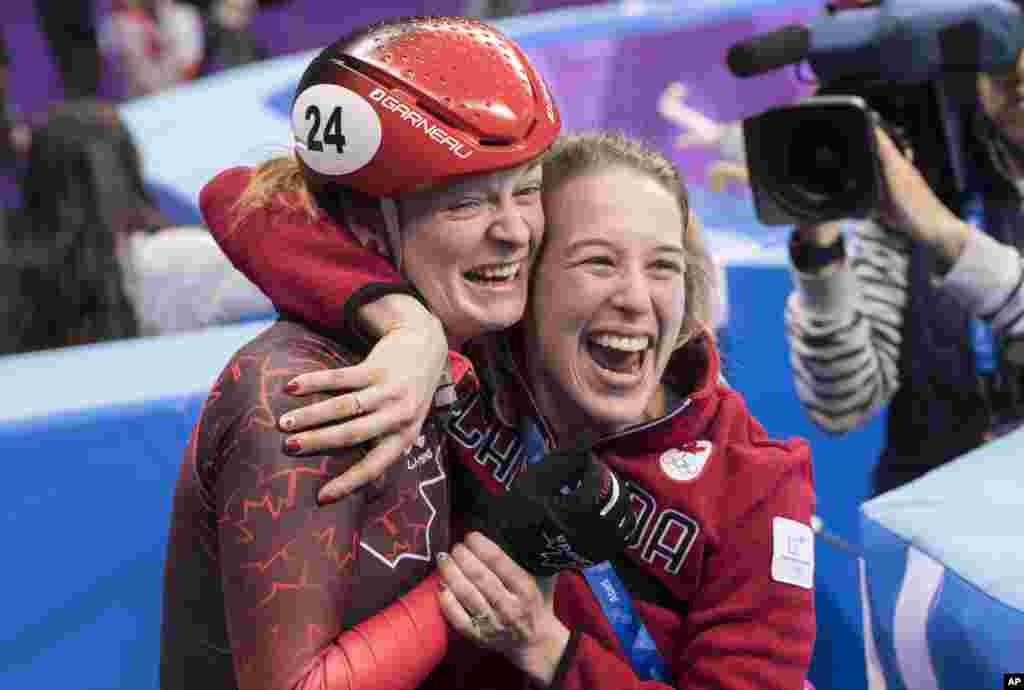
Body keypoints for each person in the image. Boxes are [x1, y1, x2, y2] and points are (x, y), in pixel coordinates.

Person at [213, 131, 817, 690]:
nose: (635, 298)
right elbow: (241, 198)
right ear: (526, 277)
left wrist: (550, 649)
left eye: (662, 266)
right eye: (597, 263)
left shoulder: (756, 483)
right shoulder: (473, 358)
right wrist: (407, 324)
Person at [158, 16, 560, 690]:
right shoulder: (300, 396)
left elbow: (249, 201)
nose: (514, 232)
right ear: (368, 223)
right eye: (466, 205)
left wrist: (410, 323)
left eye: (526, 191)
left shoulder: (482, 328)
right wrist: (496, 567)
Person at [784, 49, 1024, 495]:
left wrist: (946, 235)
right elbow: (841, 404)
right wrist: (819, 246)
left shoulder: (924, 211)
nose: (1020, 70)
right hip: (929, 526)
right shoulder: (914, 194)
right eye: (1001, 50)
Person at [0, 99, 270, 356]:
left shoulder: (15, 279)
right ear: (127, 169)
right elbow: (296, 280)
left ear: (36, 183)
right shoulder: (178, 260)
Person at [97, 0, 204, 99]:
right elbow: (113, 79)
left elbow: (190, 71)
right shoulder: (114, 27)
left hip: (176, 98)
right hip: (134, 103)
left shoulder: (184, 17)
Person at [197, 0, 268, 78]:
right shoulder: (202, 32)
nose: (239, 17)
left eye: (247, 10)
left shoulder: (254, 40)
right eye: (233, 9)